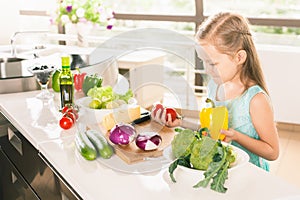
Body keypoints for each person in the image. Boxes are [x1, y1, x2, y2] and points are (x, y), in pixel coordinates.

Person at [151, 12, 279, 171]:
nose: (206, 70)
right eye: (203, 62)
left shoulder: (255, 99)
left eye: (212, 63)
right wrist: (181, 122)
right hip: (220, 169)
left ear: (239, 57)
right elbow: (211, 130)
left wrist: (237, 136)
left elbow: (272, 152)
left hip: (248, 173)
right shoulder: (214, 86)